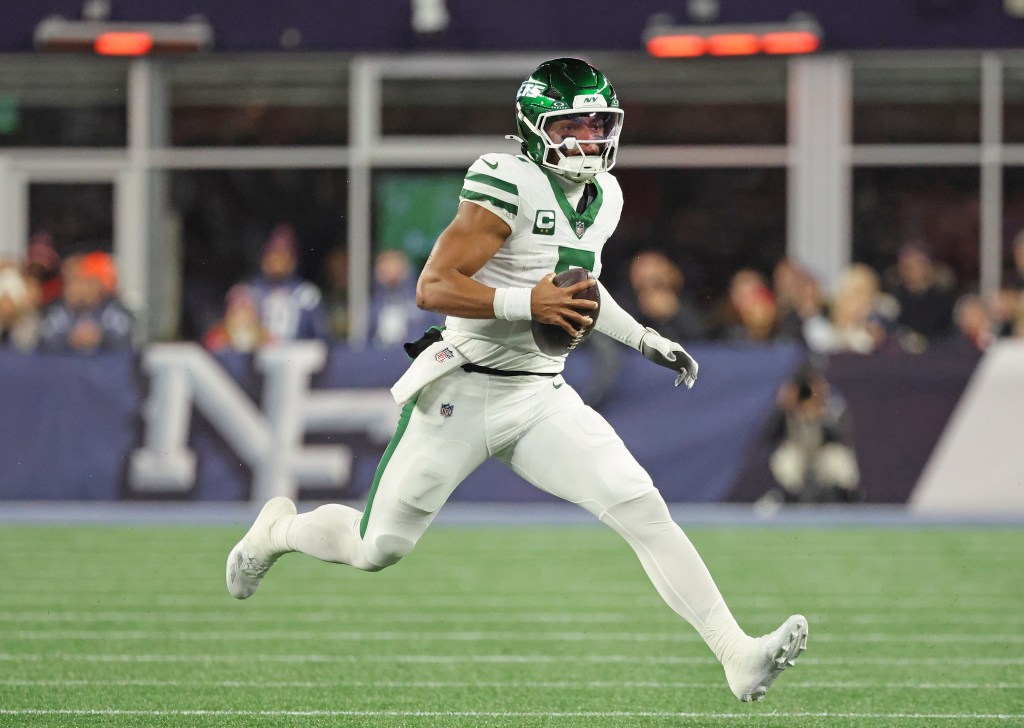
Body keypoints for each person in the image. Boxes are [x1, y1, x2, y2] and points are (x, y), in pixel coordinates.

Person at [225, 58, 807, 703]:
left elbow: (580, 286)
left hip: (539, 393)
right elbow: (434, 286)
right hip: (463, 389)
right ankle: (277, 531)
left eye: (597, 123)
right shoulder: (507, 180)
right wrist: (524, 303)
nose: (588, 138)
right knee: (376, 547)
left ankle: (736, 654)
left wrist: (645, 339)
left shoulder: (604, 196)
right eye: (572, 123)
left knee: (639, 505)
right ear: (534, 128)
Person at [37, 252, 134, 353]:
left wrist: (100, 337)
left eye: (78, 281)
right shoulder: (58, 311)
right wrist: (70, 338)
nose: (72, 288)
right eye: (67, 282)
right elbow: (44, 340)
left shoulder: (111, 309)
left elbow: (123, 338)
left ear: (95, 283)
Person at [246, 224, 330, 342]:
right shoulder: (251, 292)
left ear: (293, 259)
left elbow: (321, 336)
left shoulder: (307, 294)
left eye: (283, 254)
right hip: (261, 356)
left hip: (299, 355)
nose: (277, 261)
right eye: (273, 254)